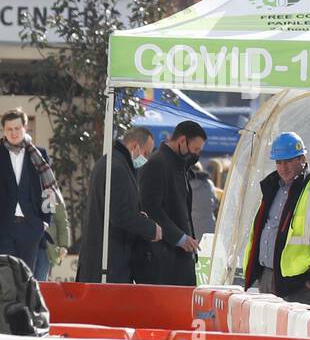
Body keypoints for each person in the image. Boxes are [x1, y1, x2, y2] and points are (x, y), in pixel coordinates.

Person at [242, 132, 310, 305]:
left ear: (302, 159)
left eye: (288, 161)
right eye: (279, 162)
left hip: (299, 286)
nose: (283, 167)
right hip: (267, 277)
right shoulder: (272, 188)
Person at [77, 127, 161, 283]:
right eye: (146, 153)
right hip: (109, 263)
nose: (146, 159)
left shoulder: (113, 163)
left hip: (107, 259)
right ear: (135, 146)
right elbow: (119, 214)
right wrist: (150, 228)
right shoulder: (117, 168)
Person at [138, 120, 206, 286]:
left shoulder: (180, 165)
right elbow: (151, 209)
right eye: (195, 149)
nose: (196, 155)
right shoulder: (157, 164)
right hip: (163, 261)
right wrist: (180, 238)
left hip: (180, 258)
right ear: (182, 141)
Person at [1, 109, 59, 271]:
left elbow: (49, 189)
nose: (13, 133)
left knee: (26, 281)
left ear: (25, 128)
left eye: (17, 128)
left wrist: (46, 221)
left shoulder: (39, 154)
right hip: (3, 227)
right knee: (6, 280)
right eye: (9, 129)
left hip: (31, 227)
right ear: (4, 130)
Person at [35, 188, 70, 281]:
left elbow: (61, 220)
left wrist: (63, 245)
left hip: (46, 247)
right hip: (24, 244)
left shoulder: (49, 190)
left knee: (40, 284)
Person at [190, 160, 219, 240]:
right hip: (209, 230)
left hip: (191, 232)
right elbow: (215, 204)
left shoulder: (183, 185)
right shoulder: (209, 184)